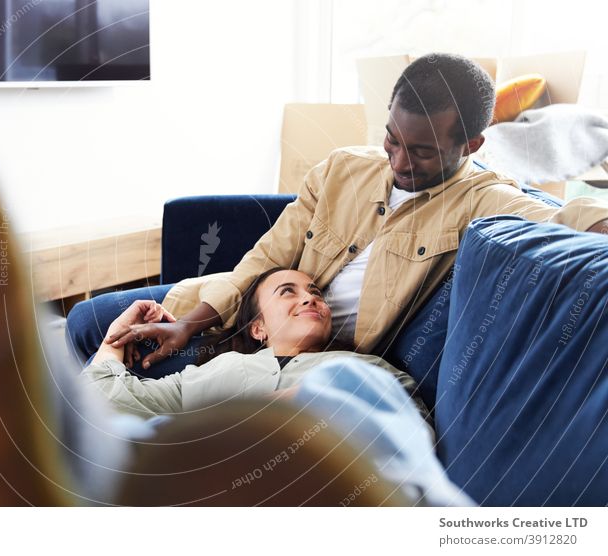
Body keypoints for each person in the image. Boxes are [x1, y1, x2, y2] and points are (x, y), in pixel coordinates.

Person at [85, 53, 608, 371]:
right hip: (244, 313)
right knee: (88, 319)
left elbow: (568, 217)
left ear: (470, 144)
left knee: (115, 365)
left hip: (299, 358)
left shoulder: (485, 199)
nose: (400, 162)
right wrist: (191, 324)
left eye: (422, 152)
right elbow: (270, 254)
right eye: (392, 139)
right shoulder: (342, 168)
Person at [81, 268, 431, 424]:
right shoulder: (216, 371)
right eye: (287, 292)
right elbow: (106, 399)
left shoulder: (364, 367)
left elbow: (413, 425)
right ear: (259, 328)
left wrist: (309, 400)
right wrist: (116, 333)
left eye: (316, 293)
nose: (309, 298)